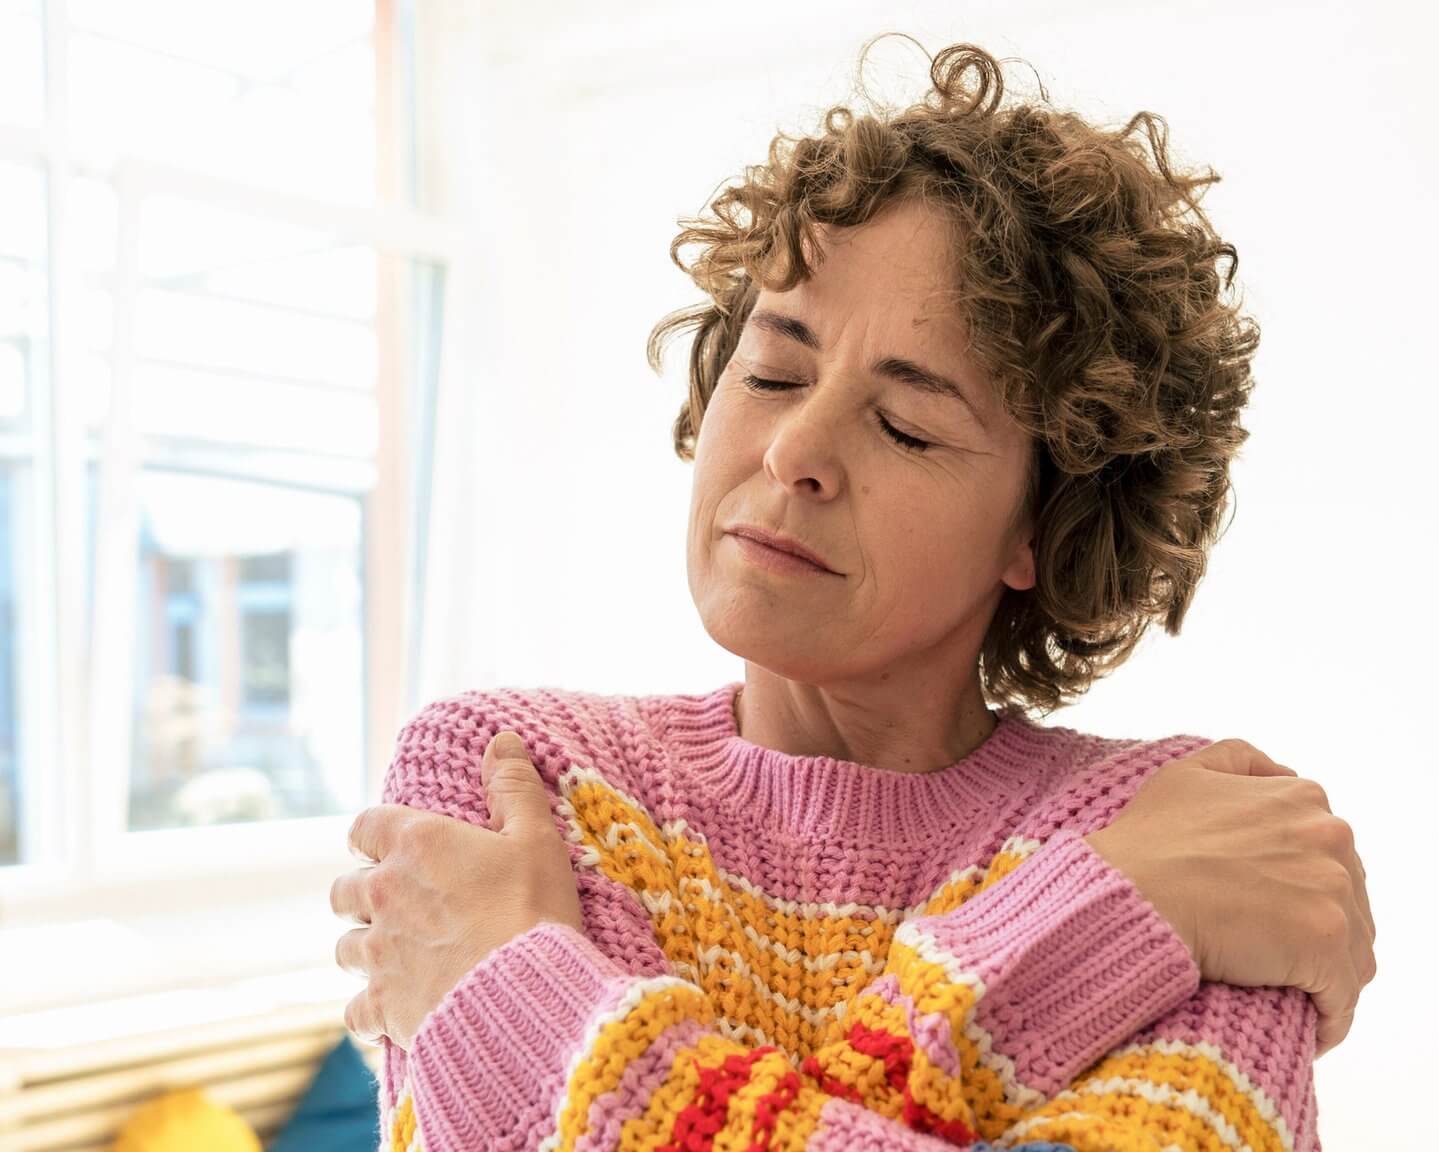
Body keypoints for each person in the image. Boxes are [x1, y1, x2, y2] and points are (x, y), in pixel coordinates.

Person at [331, 36, 1375, 1152]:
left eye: (906, 425)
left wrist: (518, 1007)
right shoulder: (513, 780)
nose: (794, 452)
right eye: (772, 372)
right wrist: (1108, 921)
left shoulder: (1208, 834)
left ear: (1045, 522)